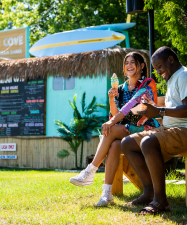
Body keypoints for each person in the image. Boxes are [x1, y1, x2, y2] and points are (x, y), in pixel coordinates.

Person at [69, 52, 160, 206]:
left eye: (133, 62)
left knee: (111, 129)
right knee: (115, 145)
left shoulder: (147, 84)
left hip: (147, 130)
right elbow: (114, 113)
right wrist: (112, 99)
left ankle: (90, 170)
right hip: (127, 130)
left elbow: (130, 107)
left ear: (142, 66)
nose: (129, 65)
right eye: (127, 62)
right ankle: (107, 193)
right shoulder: (122, 88)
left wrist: (111, 122)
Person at [121, 46, 187, 215]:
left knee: (148, 142)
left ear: (170, 60)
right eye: (155, 68)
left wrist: (159, 111)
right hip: (170, 129)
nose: (157, 72)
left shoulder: (184, 75)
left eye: (159, 66)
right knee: (127, 143)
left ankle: (160, 201)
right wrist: (155, 108)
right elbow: (172, 109)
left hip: (183, 130)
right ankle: (149, 192)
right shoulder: (173, 79)